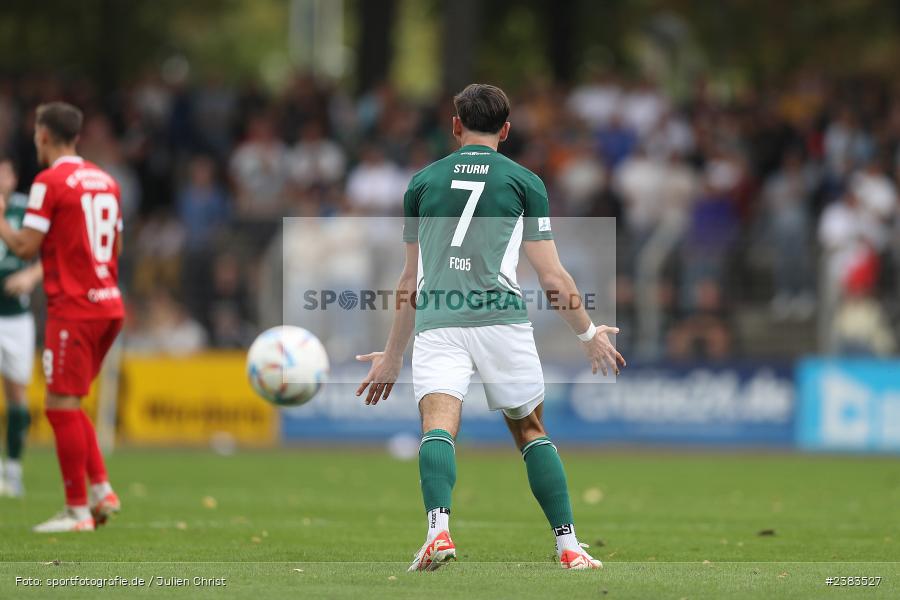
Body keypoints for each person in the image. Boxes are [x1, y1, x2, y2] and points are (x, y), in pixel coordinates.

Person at [355, 84, 626, 572]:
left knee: (438, 428)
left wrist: (393, 355)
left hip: (439, 320)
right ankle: (568, 546)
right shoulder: (525, 182)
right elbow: (551, 277)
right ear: (505, 129)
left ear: (455, 126)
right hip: (502, 318)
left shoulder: (421, 183)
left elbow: (408, 280)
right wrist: (589, 334)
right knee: (530, 429)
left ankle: (438, 532)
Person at [0, 102, 124, 532]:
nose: (35, 139)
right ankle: (101, 491)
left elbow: (23, 248)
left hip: (74, 309)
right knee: (69, 405)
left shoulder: (48, 182)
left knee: (58, 407)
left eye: (36, 132)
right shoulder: (106, 179)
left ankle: (76, 512)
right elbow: (117, 248)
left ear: (45, 135)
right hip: (109, 305)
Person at [0, 158, 42, 497]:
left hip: (15, 317)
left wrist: (31, 275)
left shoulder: (28, 208)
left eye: (5, 172)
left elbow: (52, 251)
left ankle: (12, 470)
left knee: (16, 393)